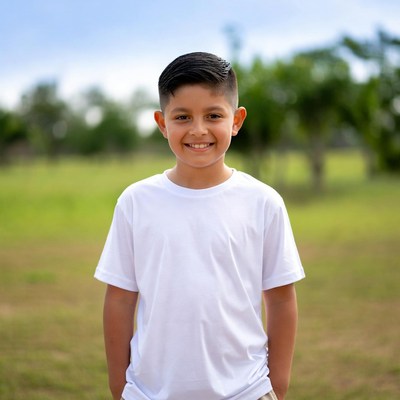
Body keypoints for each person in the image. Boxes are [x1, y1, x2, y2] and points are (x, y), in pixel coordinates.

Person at [95, 52, 305, 400]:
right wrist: (120, 387)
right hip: (150, 392)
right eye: (182, 117)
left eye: (213, 115)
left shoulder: (263, 202)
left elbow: (281, 299)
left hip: (247, 390)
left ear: (236, 120)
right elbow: (119, 299)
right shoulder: (136, 201)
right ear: (163, 124)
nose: (198, 129)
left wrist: (276, 387)